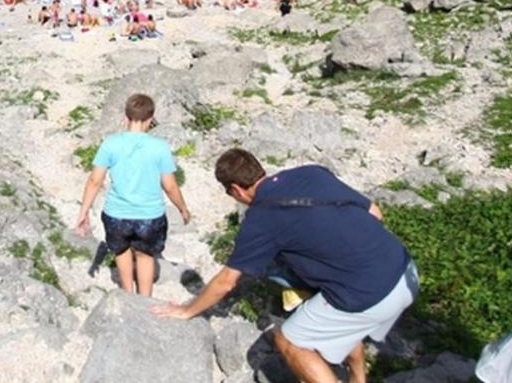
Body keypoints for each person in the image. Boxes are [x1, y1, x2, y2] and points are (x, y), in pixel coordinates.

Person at [153, 149, 417, 383]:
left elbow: (226, 282)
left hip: (369, 295)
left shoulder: (259, 220)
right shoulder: (312, 173)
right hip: (405, 271)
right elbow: (375, 213)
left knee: (289, 340)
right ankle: (358, 379)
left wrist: (187, 311)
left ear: (236, 189)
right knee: (333, 312)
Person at [75, 94, 190, 297]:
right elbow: (170, 186)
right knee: (145, 256)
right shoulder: (160, 147)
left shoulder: (110, 144)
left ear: (125, 117)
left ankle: (127, 294)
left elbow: (95, 180)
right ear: (150, 119)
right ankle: (145, 299)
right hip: (149, 215)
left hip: (116, 214)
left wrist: (83, 212)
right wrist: (182, 208)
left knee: (121, 251)